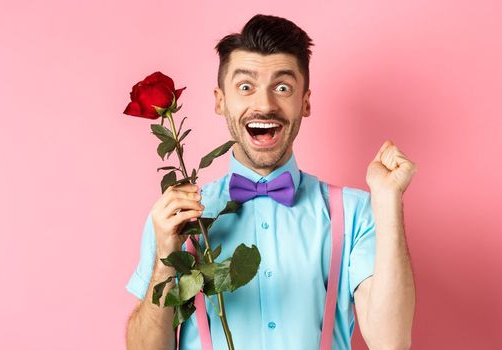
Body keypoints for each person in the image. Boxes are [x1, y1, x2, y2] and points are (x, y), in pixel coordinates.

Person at [124, 14, 416, 350]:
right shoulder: (178, 217)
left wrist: (388, 199)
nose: (264, 104)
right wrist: (165, 260)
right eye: (245, 87)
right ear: (220, 101)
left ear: (305, 102)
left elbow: (390, 342)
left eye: (282, 88)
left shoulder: (356, 212)